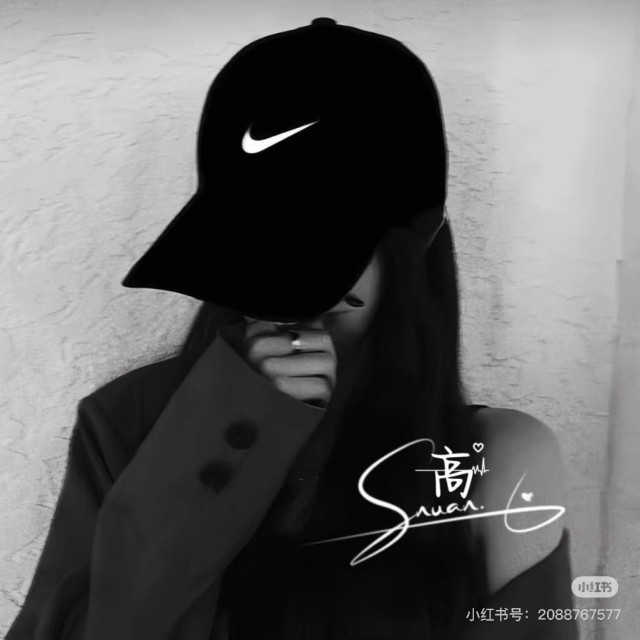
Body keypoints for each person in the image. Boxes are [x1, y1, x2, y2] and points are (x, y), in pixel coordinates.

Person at [5, 18, 579, 640]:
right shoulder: (129, 422)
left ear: (412, 243)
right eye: (254, 234)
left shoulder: (491, 459)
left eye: (321, 239)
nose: (285, 277)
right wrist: (227, 431)